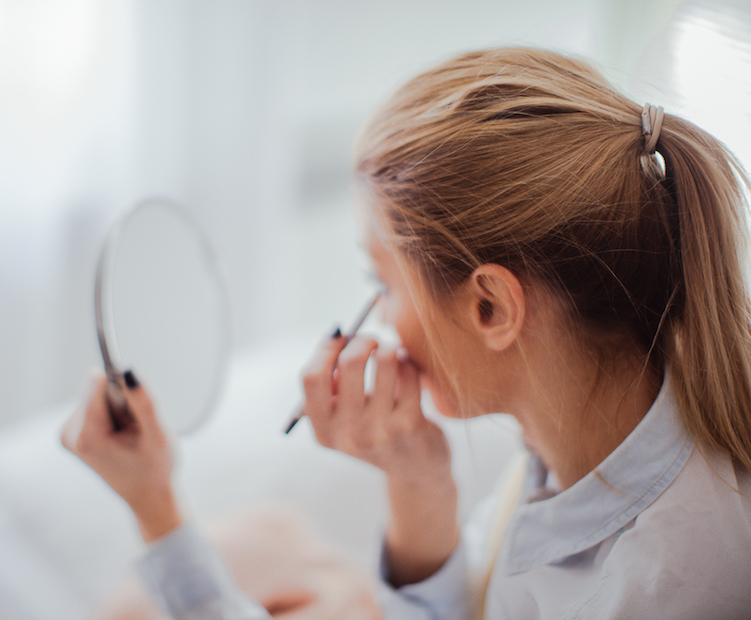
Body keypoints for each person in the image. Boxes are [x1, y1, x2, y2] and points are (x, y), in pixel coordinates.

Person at [62, 47, 751, 619]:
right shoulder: (588, 429)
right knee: (267, 535)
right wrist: (418, 482)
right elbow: (481, 600)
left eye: (382, 284)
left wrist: (154, 508)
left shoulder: (661, 591)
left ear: (490, 309)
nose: (380, 321)